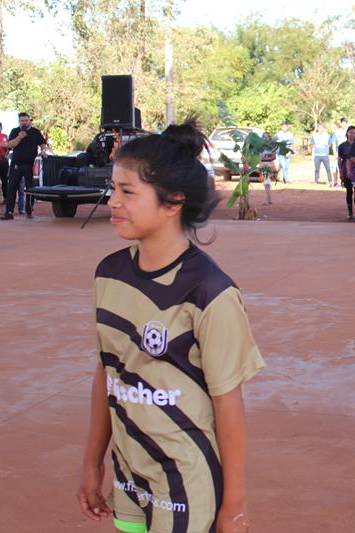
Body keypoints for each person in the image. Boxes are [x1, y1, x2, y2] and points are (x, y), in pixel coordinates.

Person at [76, 119, 265, 533]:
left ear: (173, 202)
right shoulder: (108, 274)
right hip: (128, 476)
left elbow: (228, 405)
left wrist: (234, 503)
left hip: (186, 482)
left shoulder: (210, 292)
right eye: (113, 189)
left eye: (128, 192)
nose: (113, 201)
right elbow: (108, 374)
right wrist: (92, 464)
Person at [0, 112, 46, 220]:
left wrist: (43, 150)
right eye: (22, 121)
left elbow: (43, 143)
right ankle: (9, 212)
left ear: (29, 120)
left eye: (26, 120)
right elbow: (10, 145)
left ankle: (29, 211)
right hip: (16, 165)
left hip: (29, 165)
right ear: (19, 121)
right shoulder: (15, 131)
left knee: (30, 188)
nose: (24, 122)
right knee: (12, 187)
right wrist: (19, 137)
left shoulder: (35, 132)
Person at [338, 126, 355, 221]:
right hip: (346, 171)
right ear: (347, 134)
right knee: (349, 191)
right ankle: (350, 212)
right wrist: (340, 171)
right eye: (350, 132)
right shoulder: (342, 146)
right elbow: (340, 159)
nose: (352, 134)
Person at [259, 133, 277, 205]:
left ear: (269, 138)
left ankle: (267, 200)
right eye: (264, 137)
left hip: (268, 165)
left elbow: (274, 157)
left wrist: (265, 158)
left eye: (267, 137)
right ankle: (269, 199)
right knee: (266, 183)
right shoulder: (260, 147)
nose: (265, 138)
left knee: (266, 183)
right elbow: (259, 158)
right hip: (263, 165)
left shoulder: (272, 146)